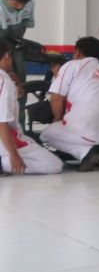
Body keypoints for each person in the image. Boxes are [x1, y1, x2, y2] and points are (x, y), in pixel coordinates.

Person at [40, 37, 99, 171]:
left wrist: (57, 120)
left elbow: (56, 96)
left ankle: (86, 153)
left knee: (46, 135)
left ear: (77, 53)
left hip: (88, 129)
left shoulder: (71, 65)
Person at [0, 38, 62, 175]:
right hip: (5, 137)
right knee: (54, 165)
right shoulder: (4, 81)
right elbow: (2, 123)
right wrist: (14, 155)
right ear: (6, 56)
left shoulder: (6, 80)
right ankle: (3, 164)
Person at [1, 0, 35, 125]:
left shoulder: (30, 1)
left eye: (24, 2)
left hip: (15, 50)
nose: (21, 7)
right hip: (1, 50)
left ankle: (19, 135)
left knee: (19, 94)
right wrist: (8, 70)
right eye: (16, 4)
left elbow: (22, 30)